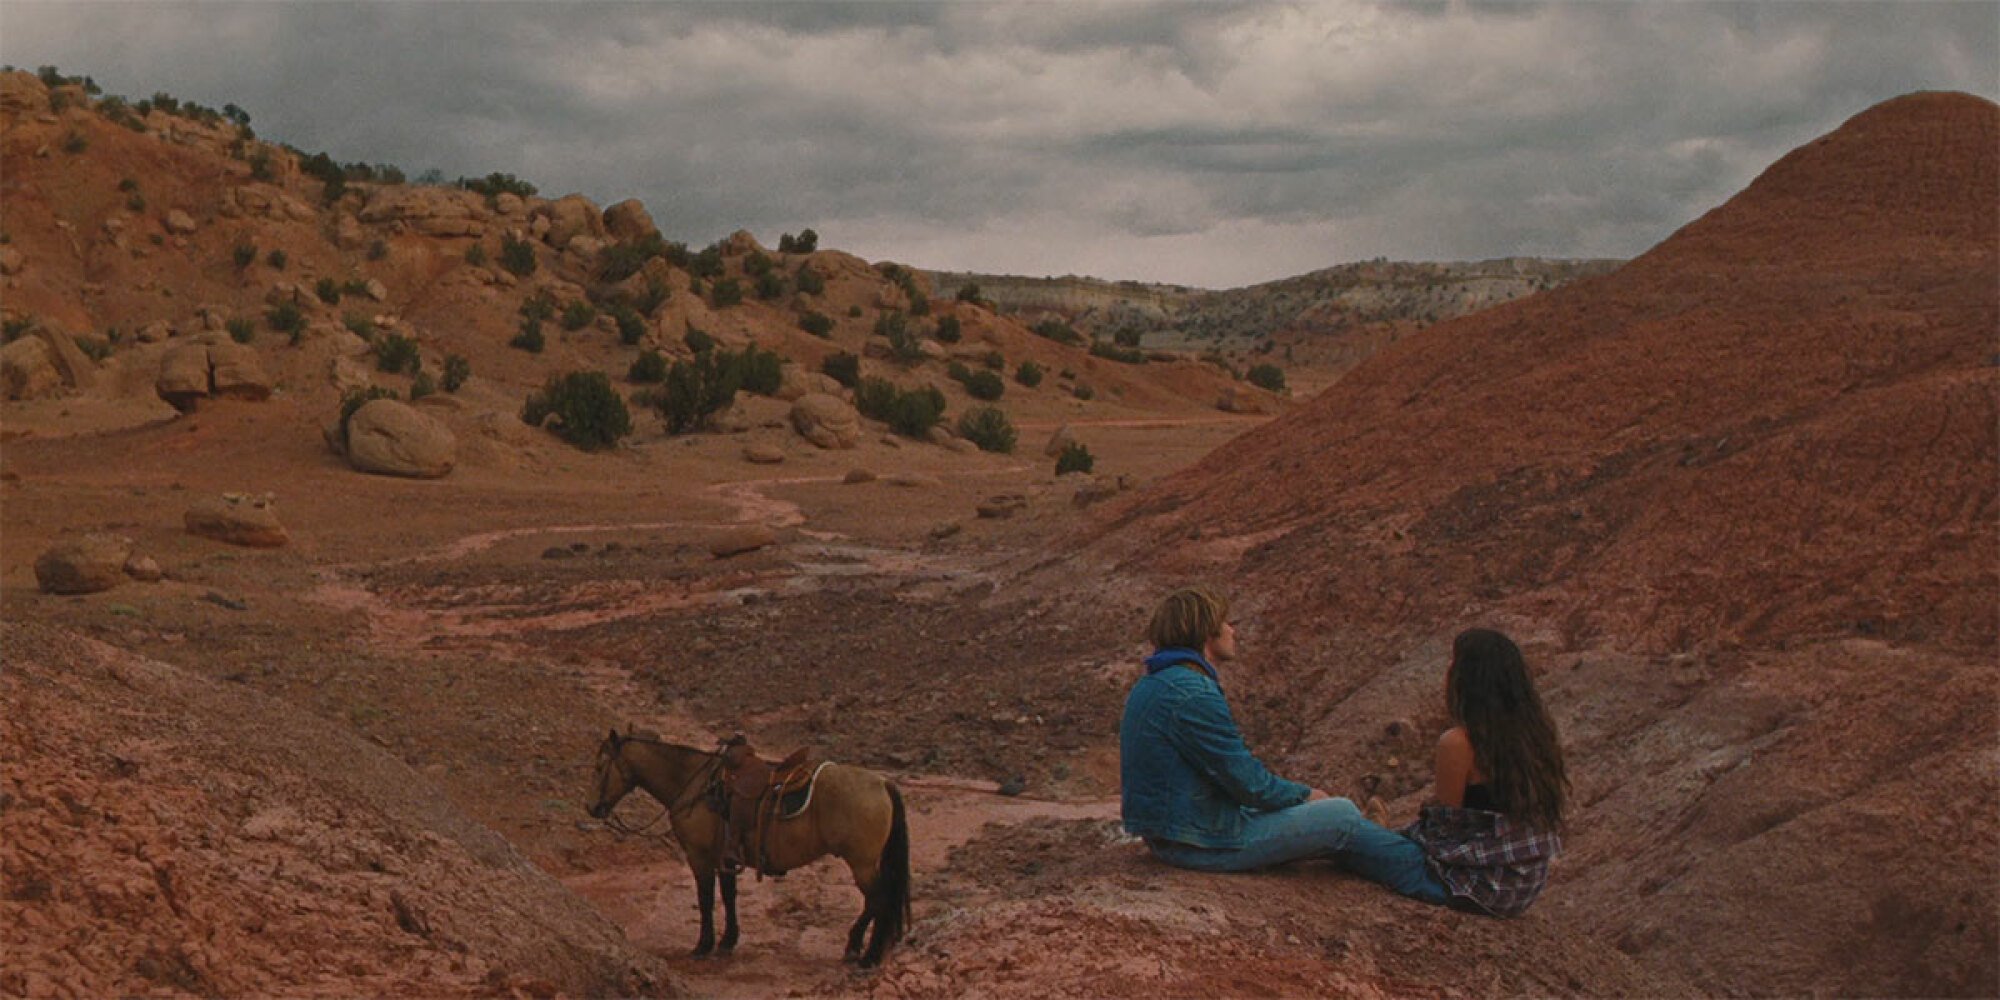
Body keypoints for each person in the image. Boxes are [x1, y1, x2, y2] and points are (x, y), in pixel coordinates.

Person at [1119, 587, 1566, 916]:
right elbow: (1246, 782)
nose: (1234, 629)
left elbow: (1448, 830)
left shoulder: (1159, 683)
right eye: (1226, 622)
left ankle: (1361, 828)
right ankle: (1356, 825)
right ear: (1204, 632)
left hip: (1186, 833)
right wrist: (1306, 797)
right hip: (1197, 840)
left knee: (1343, 823)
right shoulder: (1192, 693)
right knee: (1338, 819)